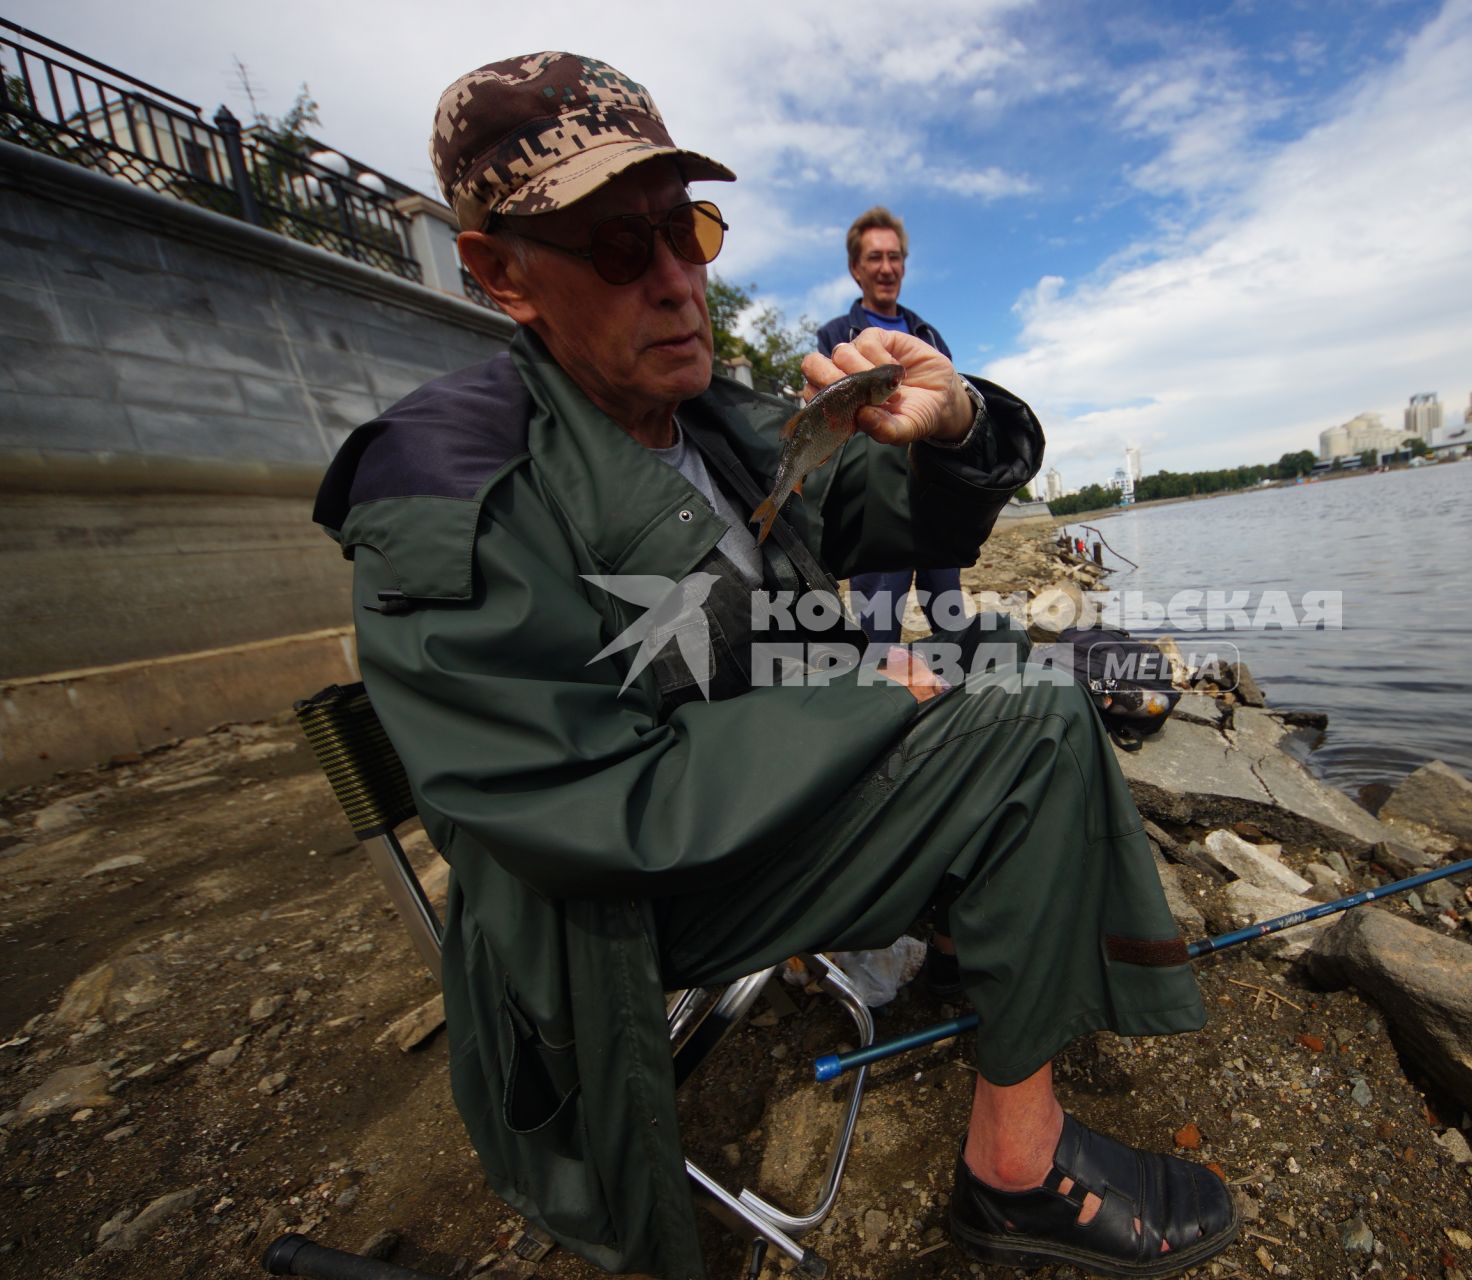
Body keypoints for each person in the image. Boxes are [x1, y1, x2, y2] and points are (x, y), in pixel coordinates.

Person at [312, 52, 1233, 1280]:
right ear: (500, 275)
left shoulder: (720, 421)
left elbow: (908, 514)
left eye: (687, 231)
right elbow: (575, 804)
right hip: (614, 901)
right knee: (1019, 716)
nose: (678, 282)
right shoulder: (448, 482)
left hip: (750, 809)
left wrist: (950, 420)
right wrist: (865, 699)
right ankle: (1015, 1172)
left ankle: (974, 929)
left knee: (1004, 647)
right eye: (618, 249)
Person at [816, 207, 963, 644]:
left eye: (895, 257)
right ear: (855, 269)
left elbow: (953, 412)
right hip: (876, 508)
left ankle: (964, 703)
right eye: (875, 257)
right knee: (877, 629)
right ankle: (880, 701)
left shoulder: (929, 337)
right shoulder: (835, 336)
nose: (886, 268)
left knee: (949, 613)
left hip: (934, 495)